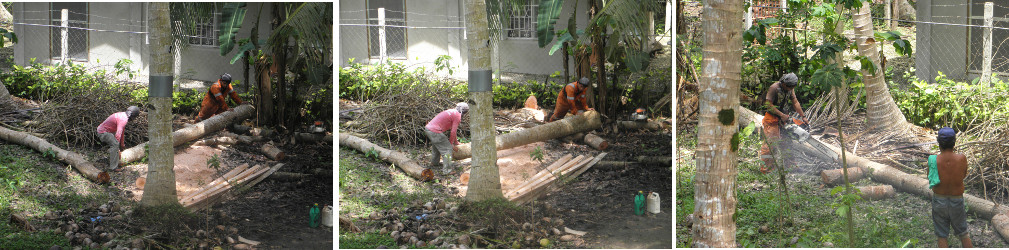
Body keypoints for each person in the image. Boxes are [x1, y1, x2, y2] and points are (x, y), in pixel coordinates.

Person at [930, 127, 973, 248]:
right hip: (957, 200)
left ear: (939, 142)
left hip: (939, 200)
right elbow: (962, 176)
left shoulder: (933, 160)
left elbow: (932, 181)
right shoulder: (961, 158)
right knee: (963, 233)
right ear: (954, 142)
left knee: (942, 236)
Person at [758, 73, 808, 174]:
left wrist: (803, 116)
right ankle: (765, 169)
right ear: (784, 83)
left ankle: (791, 166)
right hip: (772, 119)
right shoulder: (774, 88)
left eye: (792, 87)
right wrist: (781, 115)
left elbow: (795, 102)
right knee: (769, 145)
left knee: (787, 143)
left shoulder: (790, 88)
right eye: (788, 86)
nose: (790, 89)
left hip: (784, 120)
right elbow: (768, 104)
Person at [425, 102, 469, 174]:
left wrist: (456, 142)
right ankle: (447, 171)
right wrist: (451, 144)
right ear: (465, 112)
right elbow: (453, 131)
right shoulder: (457, 116)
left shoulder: (452, 112)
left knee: (437, 146)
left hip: (428, 129)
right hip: (434, 131)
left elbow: (453, 130)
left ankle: (434, 163)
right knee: (447, 149)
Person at [97, 106, 140, 171]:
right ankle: (113, 167)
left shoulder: (123, 115)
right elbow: (118, 135)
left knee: (116, 144)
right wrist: (118, 149)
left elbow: (121, 132)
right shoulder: (123, 119)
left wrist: (122, 145)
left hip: (109, 131)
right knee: (115, 145)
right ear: (133, 116)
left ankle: (112, 154)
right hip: (103, 132)